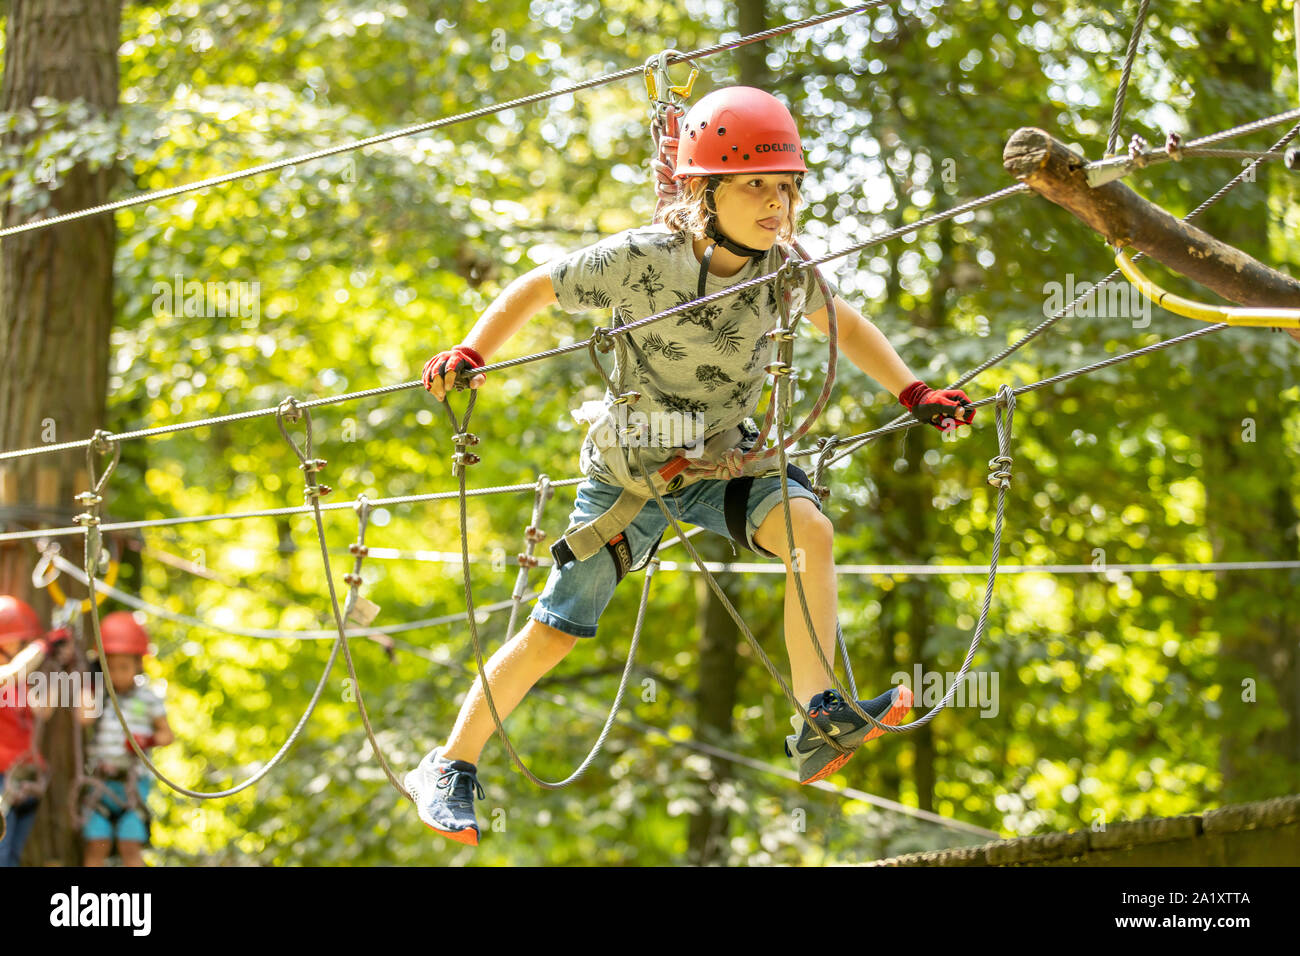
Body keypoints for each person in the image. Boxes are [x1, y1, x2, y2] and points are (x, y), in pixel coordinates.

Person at [409, 86, 976, 846]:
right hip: (631, 476)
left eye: (787, 188)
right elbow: (537, 286)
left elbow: (845, 323)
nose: (777, 205)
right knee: (557, 632)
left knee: (809, 528)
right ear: (705, 191)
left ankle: (819, 714)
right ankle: (450, 765)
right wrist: (474, 351)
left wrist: (913, 391)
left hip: (725, 462)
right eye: (756, 187)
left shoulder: (785, 271)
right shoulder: (643, 260)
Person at [78, 611, 172, 867]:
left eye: (124, 667)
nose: (118, 674)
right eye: (111, 667)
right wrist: (91, 677)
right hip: (101, 784)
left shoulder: (148, 699)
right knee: (97, 845)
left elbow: (167, 734)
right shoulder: (99, 696)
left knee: (130, 845)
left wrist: (147, 741)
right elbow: (84, 717)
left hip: (132, 785)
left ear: (138, 665)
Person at [0, 595, 66, 866]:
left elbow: (43, 711)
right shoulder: (9, 675)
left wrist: (60, 667)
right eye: (20, 639)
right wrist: (44, 645)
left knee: (12, 854)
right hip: (3, 775)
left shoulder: (21, 684)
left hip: (24, 775)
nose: (24, 644)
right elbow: (12, 672)